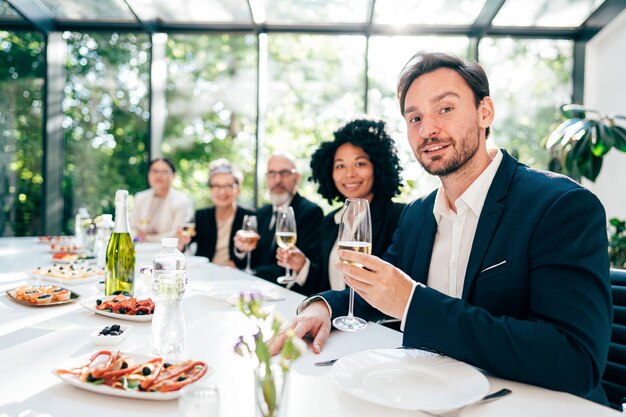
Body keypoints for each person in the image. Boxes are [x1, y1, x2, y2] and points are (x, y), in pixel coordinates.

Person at [270, 52, 612, 406]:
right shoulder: (418, 214)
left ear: (485, 112)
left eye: (445, 109)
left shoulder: (560, 206)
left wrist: (412, 303)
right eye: (415, 117)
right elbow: (383, 288)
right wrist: (322, 307)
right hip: (429, 396)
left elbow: (575, 359)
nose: (428, 129)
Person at [275, 119, 405, 296]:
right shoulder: (331, 220)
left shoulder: (398, 216)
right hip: (334, 319)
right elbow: (325, 285)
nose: (349, 174)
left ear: (377, 167)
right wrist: (302, 266)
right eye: (340, 166)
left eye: (360, 164)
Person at [233, 152, 324, 292]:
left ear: (297, 178)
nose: (277, 180)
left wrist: (251, 274)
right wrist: (241, 249)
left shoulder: (311, 213)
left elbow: (309, 270)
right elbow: (250, 261)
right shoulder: (261, 213)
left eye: (284, 173)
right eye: (271, 173)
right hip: (255, 291)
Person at [177, 159, 254, 267]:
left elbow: (255, 255)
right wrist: (181, 241)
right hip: (205, 274)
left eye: (227, 186)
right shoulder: (201, 216)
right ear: (210, 190)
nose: (222, 191)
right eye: (216, 186)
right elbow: (183, 247)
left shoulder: (249, 217)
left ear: (238, 190)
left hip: (236, 276)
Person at [131, 158, 194, 242]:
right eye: (154, 171)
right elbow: (131, 228)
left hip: (170, 250)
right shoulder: (140, 197)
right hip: (141, 248)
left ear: (173, 175)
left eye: (164, 172)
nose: (158, 175)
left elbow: (176, 234)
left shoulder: (182, 201)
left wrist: (146, 237)